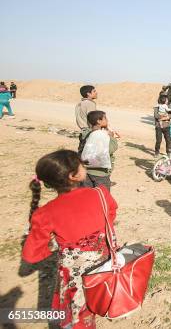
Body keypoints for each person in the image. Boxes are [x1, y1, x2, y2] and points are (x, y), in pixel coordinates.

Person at [22, 149, 118, 329]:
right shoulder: (100, 194)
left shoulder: (45, 213)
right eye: (81, 163)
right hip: (104, 268)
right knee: (100, 301)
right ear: (74, 176)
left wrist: (57, 249)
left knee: (80, 318)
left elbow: (31, 255)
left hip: (75, 280)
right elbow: (111, 214)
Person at [81, 110, 119, 191]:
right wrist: (112, 137)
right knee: (102, 194)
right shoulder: (102, 135)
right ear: (99, 121)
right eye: (105, 118)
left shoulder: (88, 133)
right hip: (100, 172)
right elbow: (110, 149)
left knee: (88, 193)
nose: (107, 120)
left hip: (87, 170)